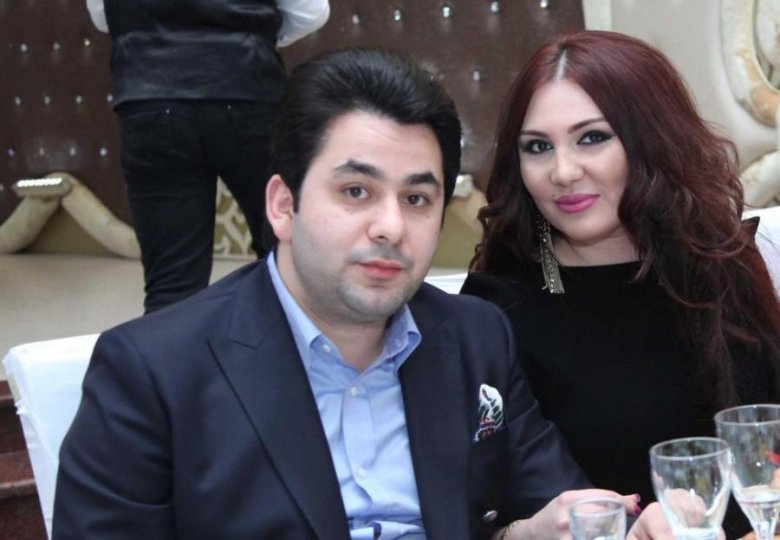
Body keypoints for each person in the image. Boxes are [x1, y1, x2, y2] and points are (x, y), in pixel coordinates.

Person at [53, 47, 669, 539]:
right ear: (283, 204)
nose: (390, 227)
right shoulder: (154, 371)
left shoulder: (475, 336)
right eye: (356, 192)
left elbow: (555, 504)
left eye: (417, 198)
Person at [461, 30, 780, 539]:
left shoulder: (728, 264)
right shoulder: (495, 309)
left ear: (651, 138)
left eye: (592, 137)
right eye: (537, 147)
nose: (563, 171)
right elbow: (470, 512)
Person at [85, 0, 330, 313]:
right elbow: (312, 13)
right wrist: (256, 33)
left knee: (172, 280)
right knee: (283, 256)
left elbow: (103, 16)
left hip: (150, 95)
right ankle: (279, 341)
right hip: (249, 88)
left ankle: (172, 345)